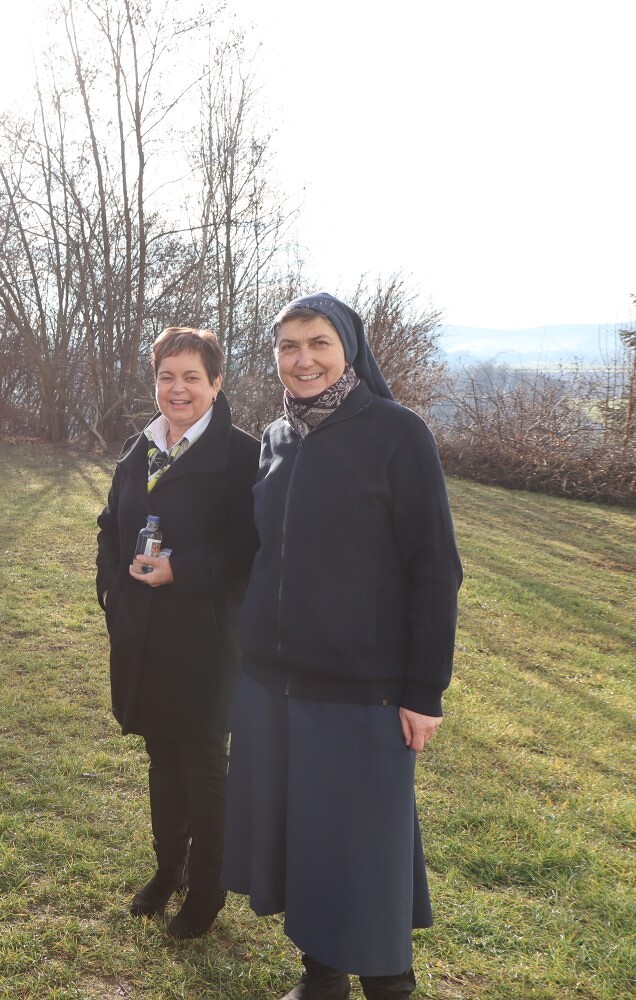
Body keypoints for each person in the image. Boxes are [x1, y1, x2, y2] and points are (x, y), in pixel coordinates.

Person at [223, 293, 463, 999]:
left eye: (319, 343)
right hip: (272, 684)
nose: (303, 360)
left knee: (365, 851)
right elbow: (264, 550)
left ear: (349, 349)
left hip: (362, 690)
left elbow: (436, 568)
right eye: (288, 346)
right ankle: (321, 976)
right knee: (303, 840)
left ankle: (390, 986)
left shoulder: (397, 433)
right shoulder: (276, 437)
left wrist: (424, 691)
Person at [95, 328, 260, 939]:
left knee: (204, 767)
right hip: (142, 634)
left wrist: (181, 570)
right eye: (167, 376)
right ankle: (170, 869)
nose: (178, 389)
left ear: (216, 383)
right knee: (161, 755)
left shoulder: (243, 456)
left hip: (205, 639)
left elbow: (250, 543)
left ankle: (208, 890)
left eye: (192, 377)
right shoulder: (137, 450)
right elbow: (110, 524)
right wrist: (110, 589)